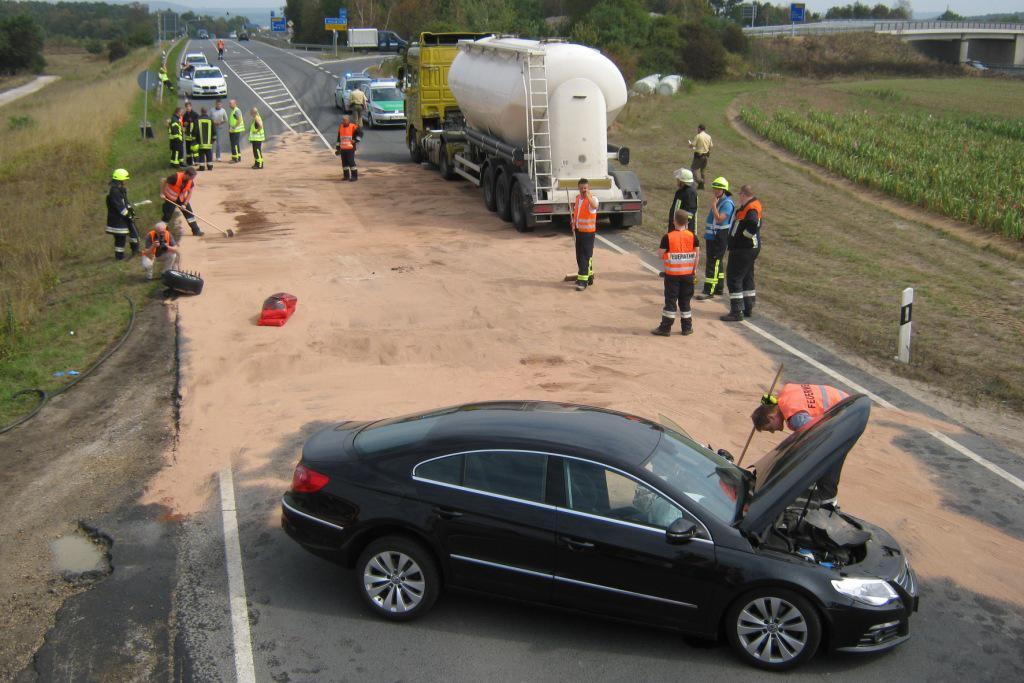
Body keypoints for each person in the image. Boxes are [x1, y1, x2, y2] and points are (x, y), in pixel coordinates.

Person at [751, 384, 850, 507]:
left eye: (770, 428)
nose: (772, 431)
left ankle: (829, 503)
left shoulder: (795, 417)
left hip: (847, 415)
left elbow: (818, 437)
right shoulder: (784, 395)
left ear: (771, 417)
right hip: (847, 401)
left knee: (826, 460)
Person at [651, 209, 700, 336]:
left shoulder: (668, 237)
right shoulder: (693, 237)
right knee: (685, 302)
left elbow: (660, 255)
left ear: (674, 221)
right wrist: (693, 271)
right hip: (688, 275)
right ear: (686, 222)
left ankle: (665, 328)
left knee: (671, 302)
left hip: (672, 276)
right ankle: (687, 327)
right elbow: (697, 256)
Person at [721, 185, 763, 322]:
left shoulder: (751, 209)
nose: (739, 197)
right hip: (747, 249)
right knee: (747, 277)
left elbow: (753, 225)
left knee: (734, 278)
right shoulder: (750, 206)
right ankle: (747, 307)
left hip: (743, 249)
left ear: (744, 194)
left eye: (740, 194)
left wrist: (743, 236)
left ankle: (736, 311)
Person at [696, 176, 734, 301]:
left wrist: (713, 205)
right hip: (713, 236)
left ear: (724, 190)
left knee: (713, 263)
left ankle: (709, 290)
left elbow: (719, 219)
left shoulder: (727, 204)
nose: (716, 191)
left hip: (719, 237)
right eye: (715, 189)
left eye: (718, 189)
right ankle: (718, 288)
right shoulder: (720, 201)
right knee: (717, 263)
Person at [572, 178, 599, 291]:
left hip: (588, 233)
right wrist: (573, 222)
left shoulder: (592, 199)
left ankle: (583, 281)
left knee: (583, 257)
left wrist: (588, 196)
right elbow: (577, 213)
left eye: (586, 188)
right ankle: (589, 276)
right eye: (582, 188)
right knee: (582, 256)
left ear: (589, 188)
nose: (583, 190)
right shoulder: (578, 198)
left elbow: (594, 206)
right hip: (579, 231)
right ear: (578, 188)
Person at [105, 168, 139, 260]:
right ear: (120, 179)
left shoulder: (120, 189)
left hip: (123, 218)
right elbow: (119, 207)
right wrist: (128, 215)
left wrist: (130, 211)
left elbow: (125, 203)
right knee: (120, 239)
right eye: (125, 179)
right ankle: (119, 257)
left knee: (134, 233)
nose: (126, 181)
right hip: (118, 220)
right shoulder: (114, 192)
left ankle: (135, 251)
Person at [160, 167, 203, 236]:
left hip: (181, 198)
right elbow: (163, 181)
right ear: (186, 175)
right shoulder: (175, 177)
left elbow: (190, 193)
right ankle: (162, 231)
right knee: (167, 215)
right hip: (170, 198)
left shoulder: (190, 181)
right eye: (191, 178)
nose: (192, 180)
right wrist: (162, 193)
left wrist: (185, 204)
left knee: (189, 214)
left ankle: (196, 231)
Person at [667, 168, 698, 232]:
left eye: (678, 180)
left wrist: (680, 225)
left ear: (683, 181)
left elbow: (690, 214)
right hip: (675, 227)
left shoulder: (690, 193)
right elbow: (676, 208)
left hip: (683, 230)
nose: (677, 181)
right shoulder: (680, 192)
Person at [335, 114, 362, 181]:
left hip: (350, 148)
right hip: (343, 148)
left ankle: (354, 177)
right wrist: (338, 147)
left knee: (351, 162)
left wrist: (355, 140)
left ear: (348, 120)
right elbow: (339, 138)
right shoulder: (341, 127)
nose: (344, 121)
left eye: (345, 120)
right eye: (343, 120)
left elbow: (360, 133)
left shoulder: (353, 126)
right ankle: (346, 176)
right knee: (344, 163)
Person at [688, 124, 713, 189]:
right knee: (702, 171)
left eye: (697, 129)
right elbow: (711, 146)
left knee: (693, 169)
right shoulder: (709, 136)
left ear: (699, 129)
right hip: (706, 156)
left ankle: (699, 182)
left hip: (698, 156)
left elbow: (693, 145)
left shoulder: (698, 136)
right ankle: (702, 186)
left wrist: (690, 144)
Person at [182, 101, 200, 167]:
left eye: (189, 107)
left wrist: (191, 122)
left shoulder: (195, 114)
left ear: (191, 107)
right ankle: (189, 162)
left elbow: (197, 123)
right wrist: (184, 124)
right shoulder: (184, 115)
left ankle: (196, 161)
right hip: (187, 135)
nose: (187, 108)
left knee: (195, 149)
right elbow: (183, 124)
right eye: (186, 107)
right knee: (188, 150)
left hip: (194, 135)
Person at [196, 107, 214, 171]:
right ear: (206, 112)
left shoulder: (198, 119)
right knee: (209, 154)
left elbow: (196, 130)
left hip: (201, 141)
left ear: (201, 112)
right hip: (209, 141)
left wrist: (195, 139)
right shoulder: (210, 120)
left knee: (201, 154)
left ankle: (202, 167)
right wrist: (213, 139)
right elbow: (213, 130)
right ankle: (210, 166)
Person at [228, 99, 244, 164]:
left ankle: (236, 158)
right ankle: (236, 157)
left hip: (235, 130)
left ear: (234, 103)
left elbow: (239, 120)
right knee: (234, 144)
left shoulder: (237, 110)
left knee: (234, 144)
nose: (229, 105)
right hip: (233, 130)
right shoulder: (233, 110)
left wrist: (234, 127)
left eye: (230, 103)